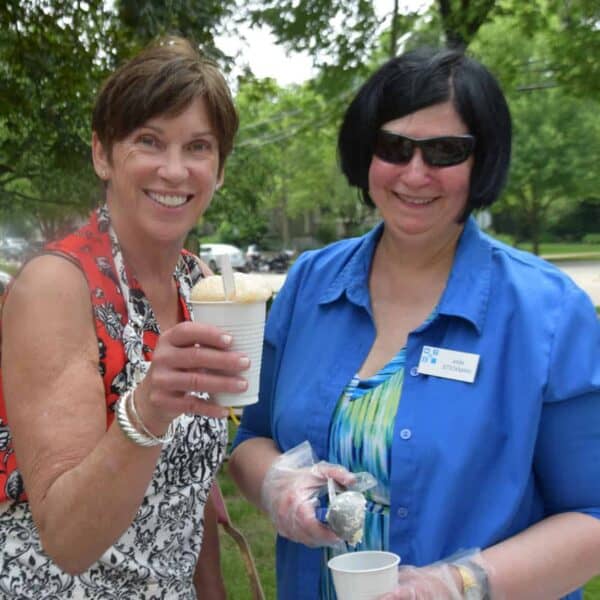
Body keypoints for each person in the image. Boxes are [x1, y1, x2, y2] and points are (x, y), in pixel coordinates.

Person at [228, 46, 600, 600]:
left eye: (446, 151)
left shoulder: (547, 312)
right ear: (366, 152)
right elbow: (251, 439)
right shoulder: (309, 283)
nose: (415, 173)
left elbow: (591, 515)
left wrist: (460, 585)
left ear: (482, 161)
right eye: (394, 147)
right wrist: (280, 485)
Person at [0, 36, 248, 598]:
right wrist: (147, 409)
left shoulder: (198, 282)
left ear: (220, 169)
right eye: (148, 141)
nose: (174, 170)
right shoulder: (56, 286)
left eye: (199, 147)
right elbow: (66, 538)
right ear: (102, 155)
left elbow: (188, 491)